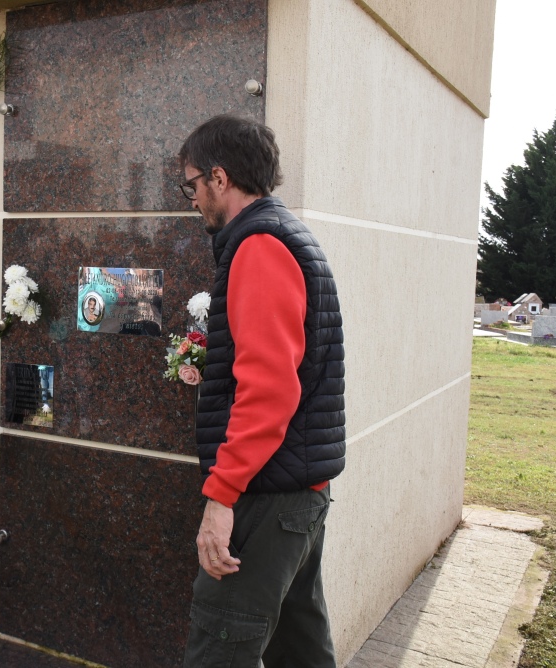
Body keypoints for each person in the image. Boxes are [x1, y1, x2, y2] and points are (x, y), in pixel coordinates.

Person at [178, 116, 345, 667]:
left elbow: (269, 390)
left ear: (220, 178)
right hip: (294, 486)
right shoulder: (284, 237)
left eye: (192, 184)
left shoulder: (260, 247)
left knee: (220, 645)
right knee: (301, 652)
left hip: (267, 496)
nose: (193, 199)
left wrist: (221, 496)